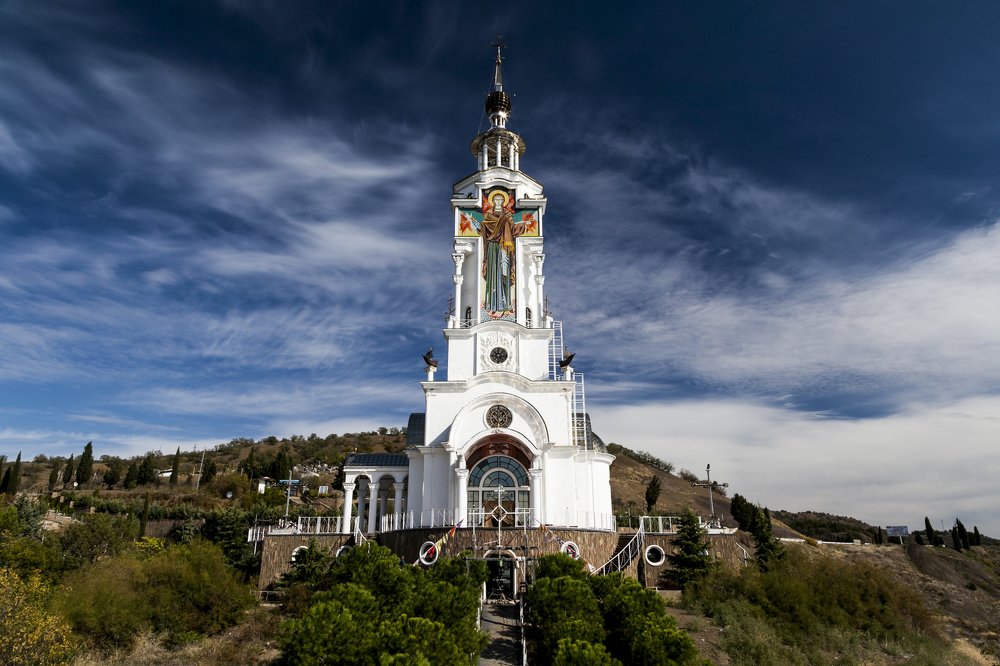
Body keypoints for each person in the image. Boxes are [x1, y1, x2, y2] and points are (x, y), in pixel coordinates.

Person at [479, 190, 531, 316]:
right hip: (492, 248)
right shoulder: (488, 215)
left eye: (500, 200)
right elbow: (483, 229)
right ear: (493, 201)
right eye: (495, 199)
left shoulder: (507, 214)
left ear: (503, 201)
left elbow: (512, 229)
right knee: (493, 274)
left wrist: (524, 224)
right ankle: (491, 305)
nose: (498, 202)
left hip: (505, 248)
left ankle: (506, 304)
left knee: (504, 273)